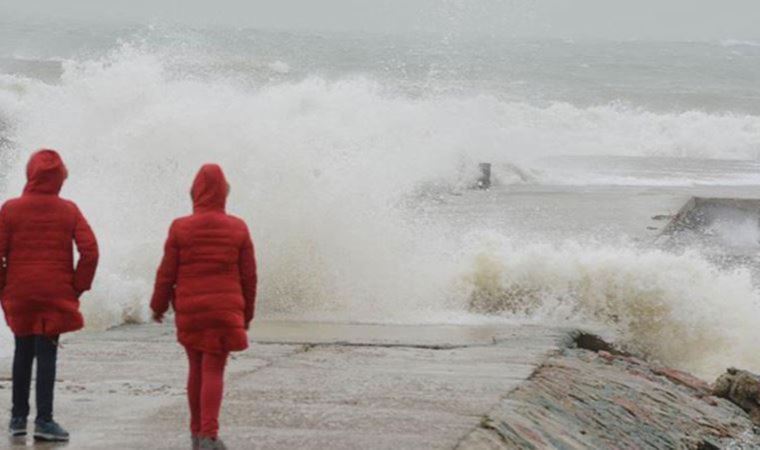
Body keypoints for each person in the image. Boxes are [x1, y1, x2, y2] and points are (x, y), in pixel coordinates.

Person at [150, 163, 257, 450]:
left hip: (191, 312)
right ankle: (209, 434)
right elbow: (249, 276)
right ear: (224, 193)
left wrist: (158, 306)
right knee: (213, 369)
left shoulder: (180, 227)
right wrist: (246, 313)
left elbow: (166, 273)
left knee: (195, 368)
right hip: (224, 311)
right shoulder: (238, 227)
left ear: (194, 192)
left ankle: (197, 434)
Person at [0, 149, 99, 442]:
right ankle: (44, 420)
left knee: (22, 351)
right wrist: (77, 286)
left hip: (20, 292)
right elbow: (90, 251)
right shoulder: (68, 210)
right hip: (56, 293)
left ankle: (17, 419)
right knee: (47, 354)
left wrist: (4, 287)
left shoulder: (10, 209)